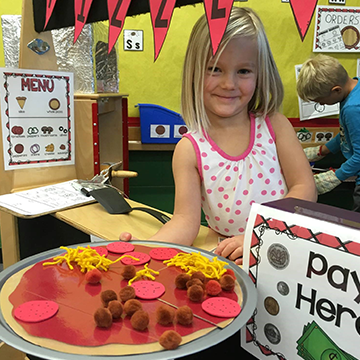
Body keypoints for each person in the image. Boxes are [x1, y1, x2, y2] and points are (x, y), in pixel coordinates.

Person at [120, 6, 316, 265]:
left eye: (243, 71)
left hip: (281, 248)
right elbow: (184, 222)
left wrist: (257, 234)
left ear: (260, 74)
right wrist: (146, 251)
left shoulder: (275, 126)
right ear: (194, 73)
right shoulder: (189, 149)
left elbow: (305, 188)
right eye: (214, 69)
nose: (229, 84)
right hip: (228, 259)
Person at [296, 54, 360, 210]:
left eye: (320, 101)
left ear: (336, 90)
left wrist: (335, 176)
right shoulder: (353, 90)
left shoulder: (352, 109)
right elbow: (348, 134)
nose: (321, 104)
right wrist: (322, 150)